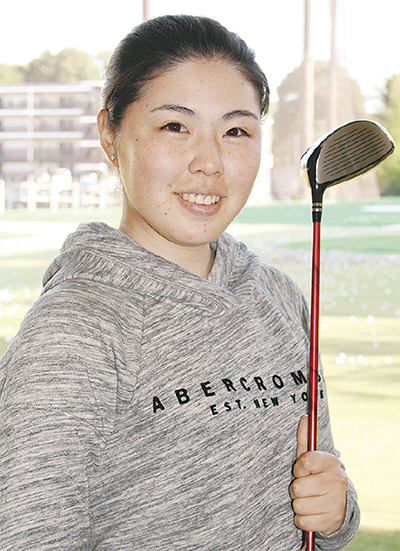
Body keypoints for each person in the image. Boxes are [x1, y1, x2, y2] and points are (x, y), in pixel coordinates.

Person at [0, 15, 359, 551]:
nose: (209, 163)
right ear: (109, 134)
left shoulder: (279, 297)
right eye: (175, 126)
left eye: (235, 131)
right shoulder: (72, 331)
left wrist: (337, 510)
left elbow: (319, 484)